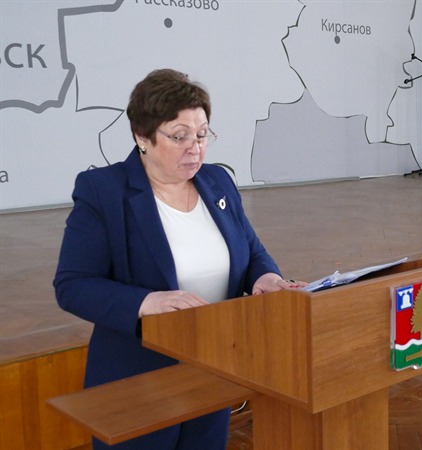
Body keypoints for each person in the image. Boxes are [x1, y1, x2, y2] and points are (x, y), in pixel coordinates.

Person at [53, 69, 305, 450]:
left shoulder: (218, 182)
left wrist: (265, 278)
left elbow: (251, 251)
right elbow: (72, 285)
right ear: (142, 137)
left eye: (202, 135)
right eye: (179, 136)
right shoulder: (104, 191)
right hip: (137, 382)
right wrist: (146, 302)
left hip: (212, 370)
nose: (195, 148)